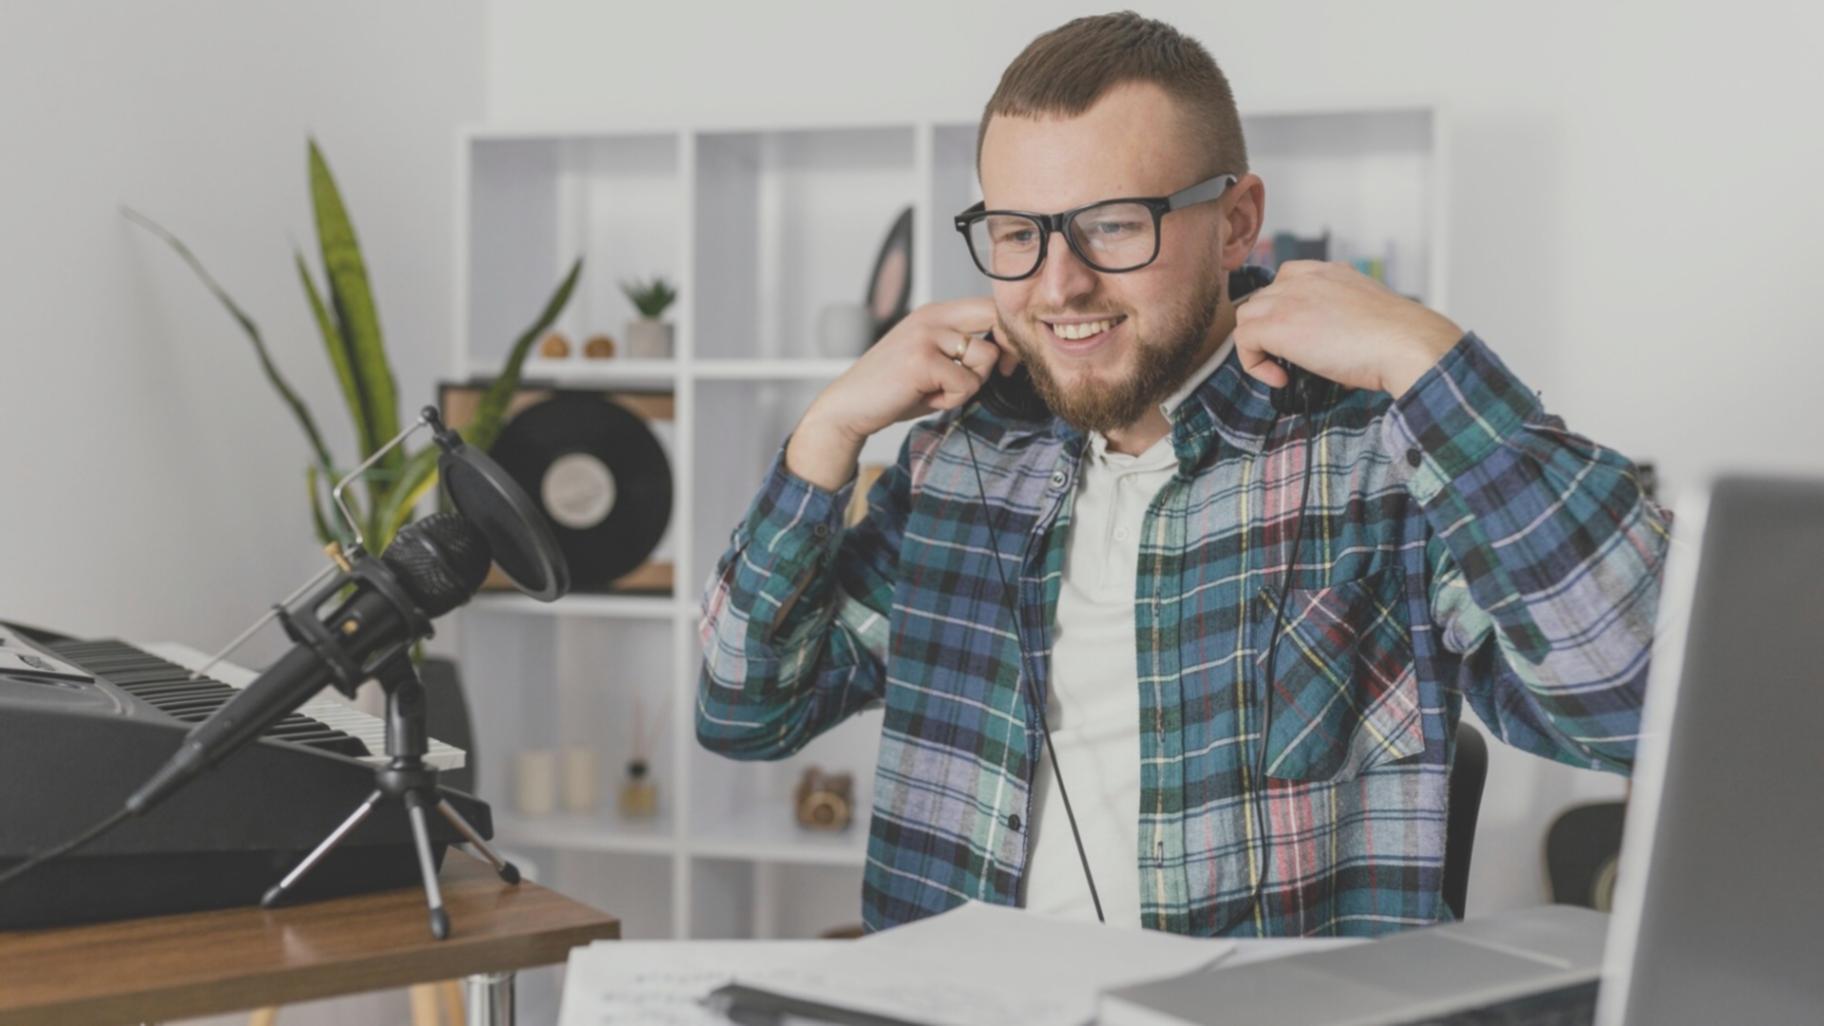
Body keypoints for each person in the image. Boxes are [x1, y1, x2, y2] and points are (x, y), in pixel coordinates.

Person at [696, 11, 1670, 938]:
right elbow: (746, 712)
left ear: (1237, 222)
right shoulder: (962, 459)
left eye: (1115, 224)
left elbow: (1638, 704)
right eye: (1017, 232)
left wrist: (1429, 360)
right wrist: (827, 431)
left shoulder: (1378, 453)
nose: (1059, 284)